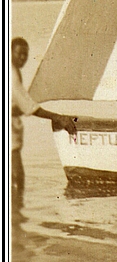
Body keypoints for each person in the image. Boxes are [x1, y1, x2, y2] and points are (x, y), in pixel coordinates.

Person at [11, 37, 75, 206]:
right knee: (16, 173)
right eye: (19, 54)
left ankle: (14, 209)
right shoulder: (11, 75)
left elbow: (19, 105)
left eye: (25, 54)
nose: (23, 58)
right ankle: (16, 211)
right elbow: (29, 107)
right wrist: (58, 117)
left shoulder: (12, 71)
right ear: (10, 52)